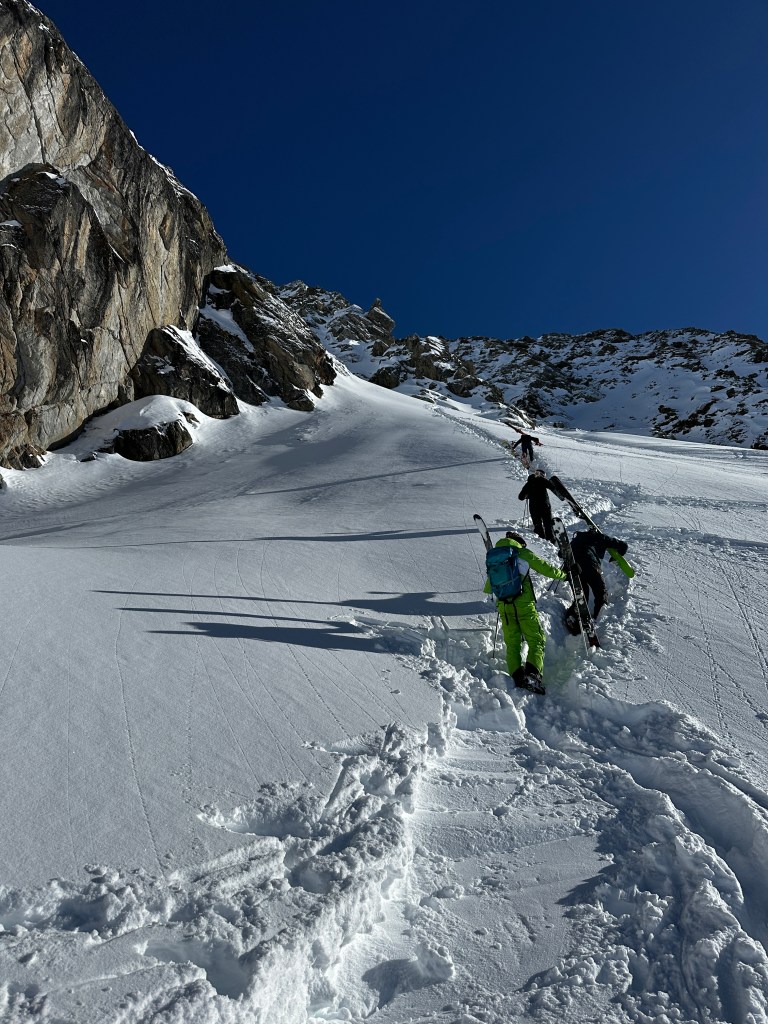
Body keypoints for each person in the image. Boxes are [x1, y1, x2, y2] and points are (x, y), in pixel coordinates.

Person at [484, 531, 566, 693]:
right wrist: (564, 575)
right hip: (524, 606)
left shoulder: (496, 558)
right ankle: (533, 676)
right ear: (519, 542)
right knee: (536, 640)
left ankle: (517, 677)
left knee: (512, 644)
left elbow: (488, 588)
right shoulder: (522, 553)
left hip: (505, 608)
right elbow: (546, 569)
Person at [567, 530, 629, 622]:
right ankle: (598, 621)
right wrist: (615, 557)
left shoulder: (576, 539)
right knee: (600, 594)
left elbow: (561, 553)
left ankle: (573, 616)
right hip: (590, 565)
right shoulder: (600, 537)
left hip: (573, 568)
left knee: (581, 596)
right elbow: (624, 546)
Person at [518, 470, 558, 543]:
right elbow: (553, 487)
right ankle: (551, 540)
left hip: (534, 507)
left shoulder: (528, 483)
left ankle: (541, 540)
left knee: (537, 524)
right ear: (542, 475)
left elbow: (520, 497)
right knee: (548, 523)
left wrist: (528, 496)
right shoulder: (542, 480)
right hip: (545, 505)